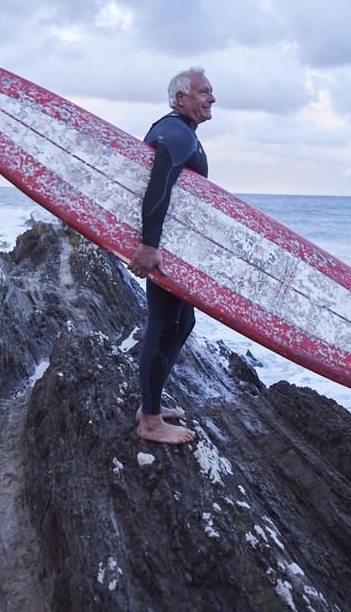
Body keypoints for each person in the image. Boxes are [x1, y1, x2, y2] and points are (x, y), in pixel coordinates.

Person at [128, 67, 215, 445]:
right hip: (161, 248)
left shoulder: (177, 130)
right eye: (203, 92)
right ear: (181, 98)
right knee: (164, 323)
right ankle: (149, 422)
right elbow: (159, 182)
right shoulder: (177, 132)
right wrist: (149, 244)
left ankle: (151, 403)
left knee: (182, 323)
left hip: (174, 250)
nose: (211, 98)